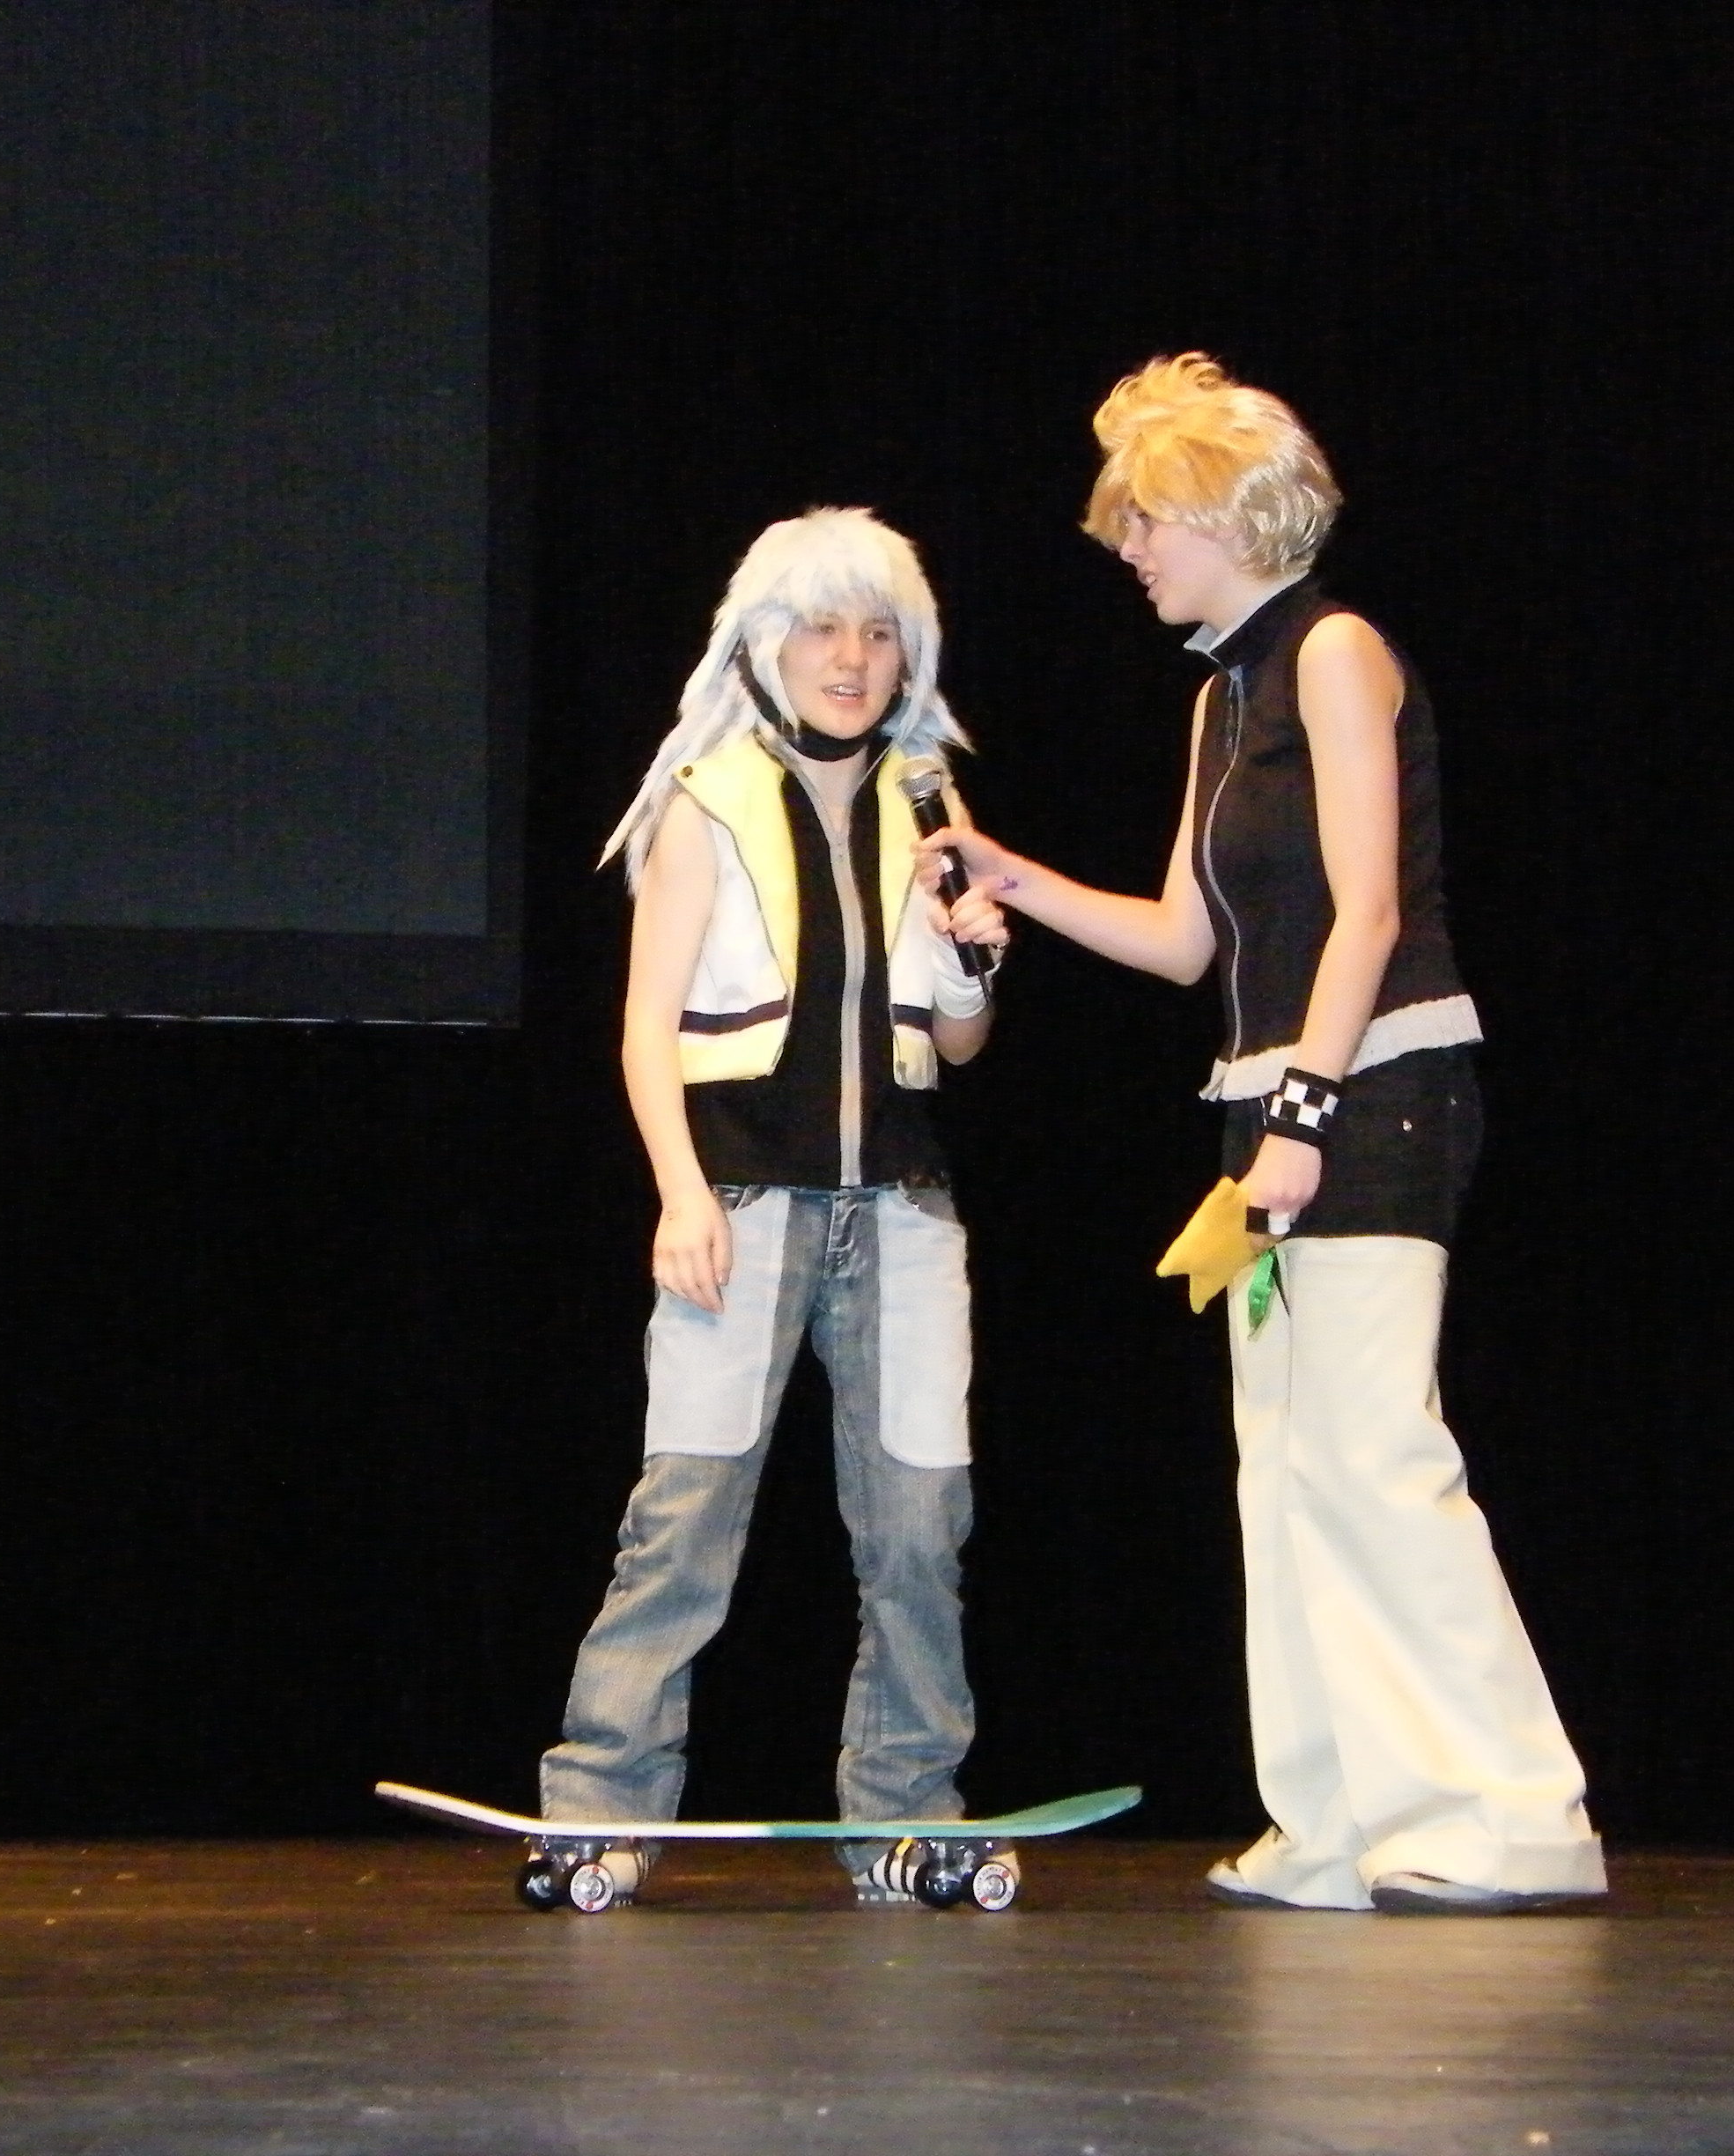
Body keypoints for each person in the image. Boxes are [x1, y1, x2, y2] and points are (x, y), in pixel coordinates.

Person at [926, 355, 1606, 1915]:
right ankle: (1335, 1822)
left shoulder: (1335, 652)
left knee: (1376, 1454)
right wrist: (1011, 876)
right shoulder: (1217, 697)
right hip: (1262, 1112)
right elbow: (1185, 940)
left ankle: (1514, 1816)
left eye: (1144, 522)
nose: (1127, 551)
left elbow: (1368, 913)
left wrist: (1304, 1109)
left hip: (1373, 1092)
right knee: (1286, 1473)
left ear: (1225, 515)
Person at [535, 508, 1014, 1908]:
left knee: (921, 1526)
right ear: (763, 641)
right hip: (742, 1203)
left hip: (904, 1215)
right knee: (685, 1518)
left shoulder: (929, 814)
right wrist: (682, 1194)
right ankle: (600, 1805)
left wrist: (975, 959)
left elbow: (960, 1044)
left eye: (878, 632)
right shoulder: (708, 798)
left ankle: (906, 1814)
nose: (850, 657)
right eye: (821, 626)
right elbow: (643, 1028)